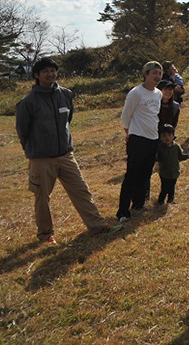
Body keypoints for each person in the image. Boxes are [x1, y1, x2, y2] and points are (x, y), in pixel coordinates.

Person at [15, 57, 122, 244]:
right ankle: (46, 234)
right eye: (45, 71)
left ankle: (97, 227)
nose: (50, 74)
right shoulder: (28, 102)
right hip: (41, 158)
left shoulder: (65, 94)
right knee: (42, 197)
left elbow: (67, 120)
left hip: (65, 155)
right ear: (36, 75)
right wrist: (34, 149)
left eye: (53, 70)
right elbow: (23, 131)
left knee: (82, 191)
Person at [117, 61, 163, 222]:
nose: (157, 76)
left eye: (159, 73)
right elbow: (125, 115)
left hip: (153, 138)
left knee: (145, 174)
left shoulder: (158, 93)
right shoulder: (136, 92)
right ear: (145, 74)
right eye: (154, 73)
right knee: (131, 175)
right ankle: (122, 211)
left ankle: (138, 204)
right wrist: (129, 134)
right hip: (137, 139)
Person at [155, 124, 189, 205]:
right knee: (164, 187)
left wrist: (187, 156)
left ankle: (170, 200)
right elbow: (157, 158)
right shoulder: (160, 148)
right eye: (164, 136)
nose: (167, 138)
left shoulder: (176, 147)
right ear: (161, 137)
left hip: (174, 171)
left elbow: (180, 156)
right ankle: (160, 201)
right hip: (164, 172)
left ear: (173, 136)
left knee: (172, 187)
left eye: (169, 135)